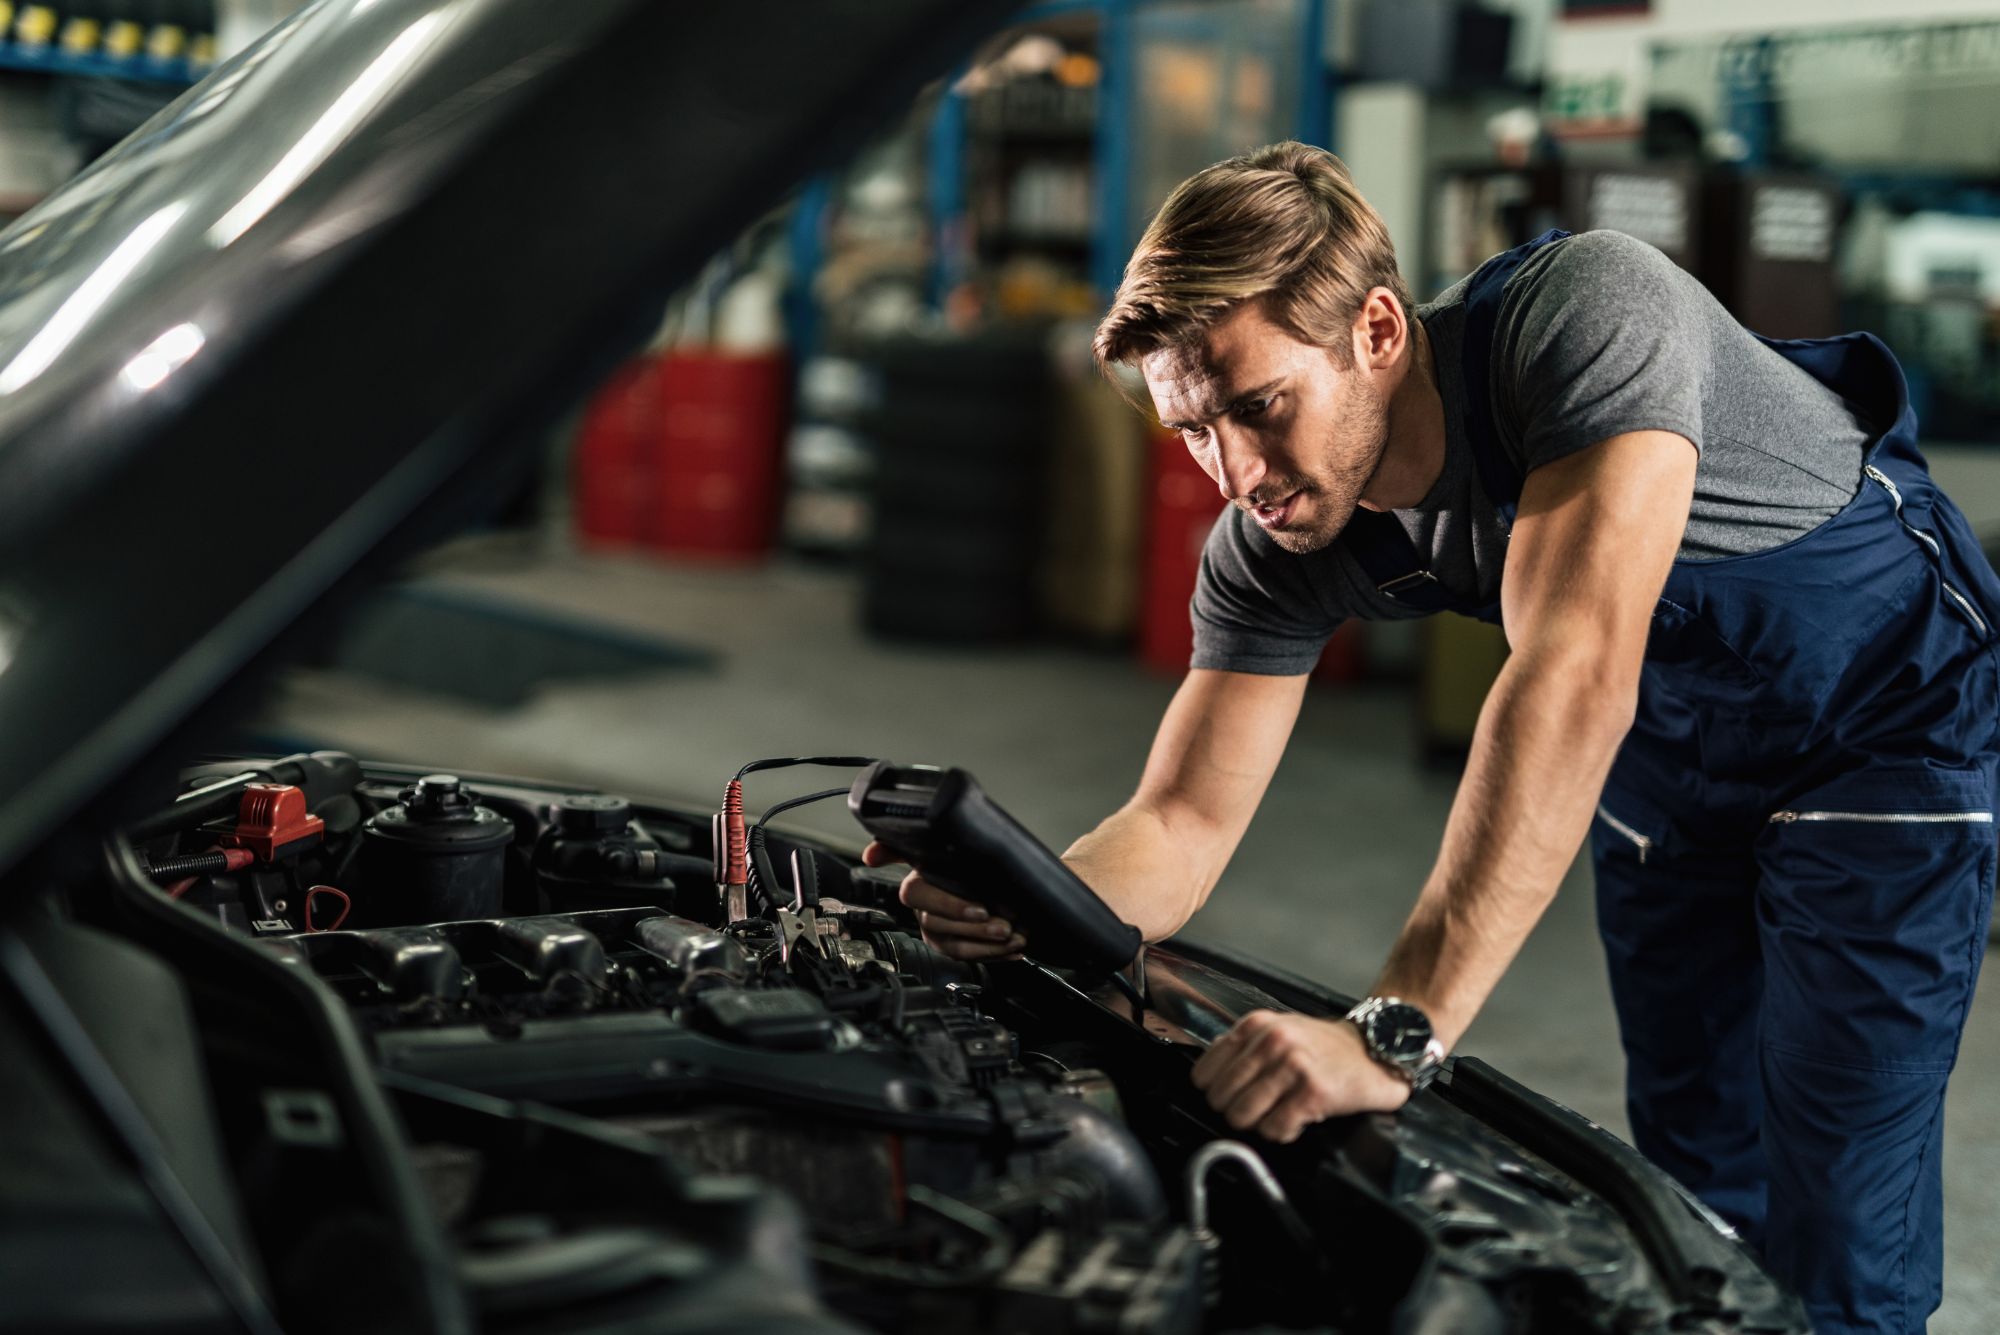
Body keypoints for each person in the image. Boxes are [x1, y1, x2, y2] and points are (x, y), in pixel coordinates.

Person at [863, 141, 1996, 1334]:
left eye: (1258, 406)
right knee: (1690, 1161)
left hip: (1880, 715)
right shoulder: (1275, 539)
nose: (1234, 473)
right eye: (1193, 430)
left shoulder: (1584, 317)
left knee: (1836, 1188)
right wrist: (1031, 895)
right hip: (1669, 748)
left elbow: (1572, 669)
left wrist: (1391, 1032)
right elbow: (1179, 824)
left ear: (1378, 332)